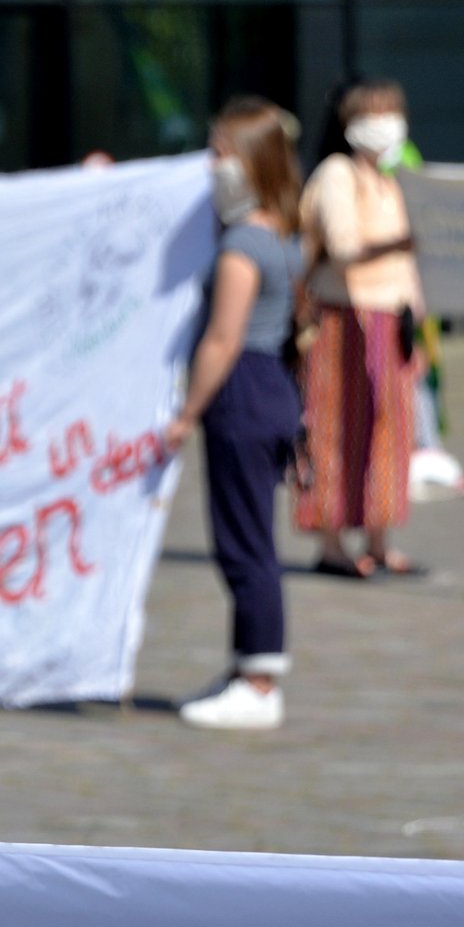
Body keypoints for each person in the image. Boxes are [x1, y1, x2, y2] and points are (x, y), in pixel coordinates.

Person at [167, 98, 306, 730]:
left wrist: (186, 412)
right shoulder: (282, 233)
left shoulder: (244, 244)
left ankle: (259, 681)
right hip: (270, 384)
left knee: (244, 542)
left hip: (243, 387)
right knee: (250, 534)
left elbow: (223, 338)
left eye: (220, 153)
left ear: (248, 162)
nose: (211, 164)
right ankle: (249, 663)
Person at [294, 78, 425, 578]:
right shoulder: (336, 174)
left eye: (393, 111)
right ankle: (330, 543)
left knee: (390, 430)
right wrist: (400, 244)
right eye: (375, 113)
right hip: (342, 313)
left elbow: (416, 262)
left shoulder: (399, 176)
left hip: (395, 316)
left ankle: (379, 538)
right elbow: (344, 248)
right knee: (334, 426)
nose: (388, 122)